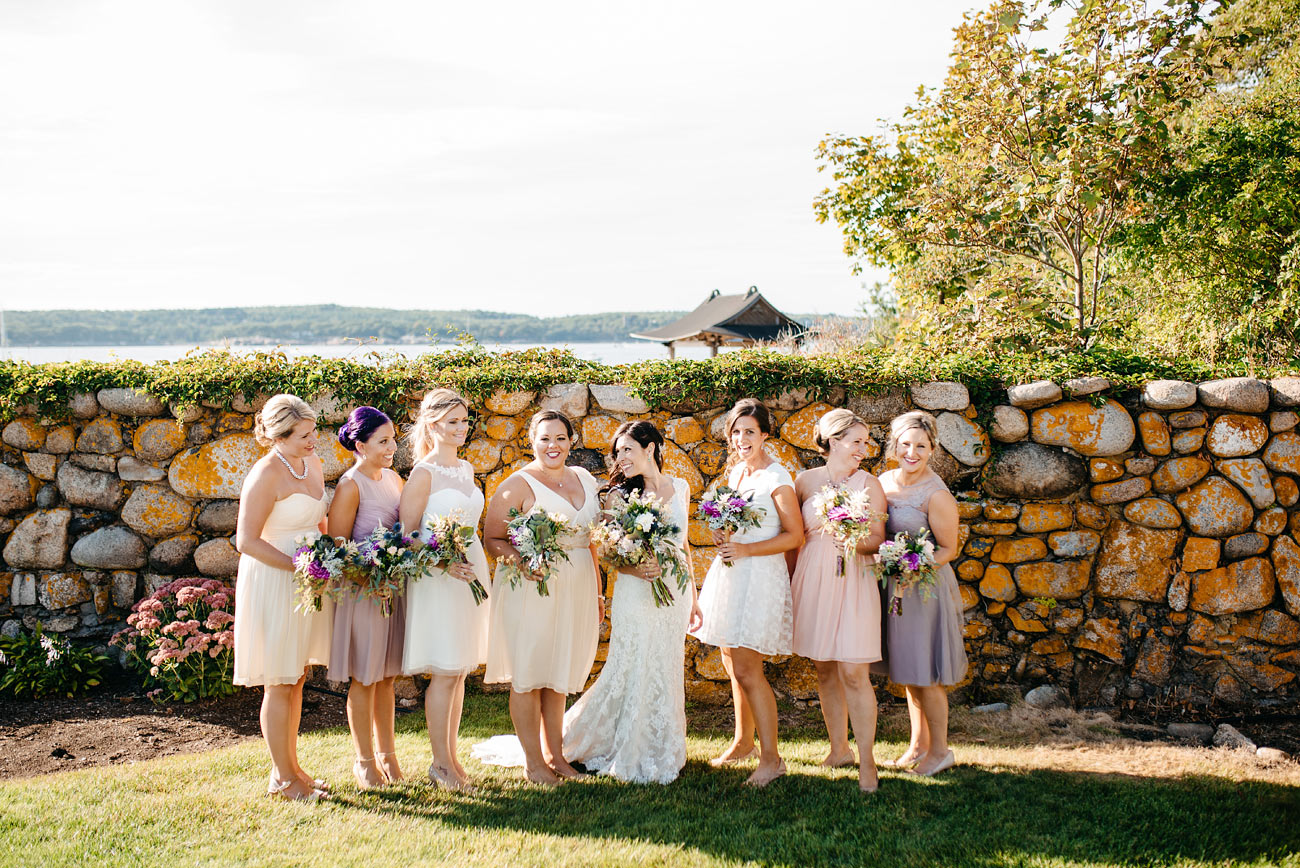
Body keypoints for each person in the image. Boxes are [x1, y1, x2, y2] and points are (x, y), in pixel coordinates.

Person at [562, 420, 703, 784]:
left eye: (627, 449)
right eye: (617, 451)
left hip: (675, 592)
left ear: (650, 448)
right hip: (635, 590)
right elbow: (606, 549)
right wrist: (636, 567)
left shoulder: (681, 487)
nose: (620, 458)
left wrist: (695, 596)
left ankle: (663, 745)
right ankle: (625, 746)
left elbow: (683, 543)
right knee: (632, 663)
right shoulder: (617, 495)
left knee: (665, 665)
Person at [480, 410, 603, 786]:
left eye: (561, 438)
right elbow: (493, 538)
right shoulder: (516, 484)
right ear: (531, 440)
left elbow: (592, 541)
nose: (553, 446)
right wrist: (522, 561)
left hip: (578, 583)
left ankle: (557, 756)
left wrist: (597, 589)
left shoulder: (584, 478)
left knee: (558, 673)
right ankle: (533, 763)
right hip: (532, 587)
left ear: (572, 441)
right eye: (545, 438)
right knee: (530, 674)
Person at [691, 398, 804, 787]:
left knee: (748, 668)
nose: (742, 438)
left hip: (758, 576)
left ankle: (772, 759)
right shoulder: (736, 474)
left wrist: (746, 548)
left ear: (765, 435)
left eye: (750, 432)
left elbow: (795, 535)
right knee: (728, 658)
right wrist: (723, 534)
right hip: (731, 574)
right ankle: (743, 742)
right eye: (736, 432)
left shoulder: (778, 478)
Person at [233, 394, 333, 802]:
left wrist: (327, 558)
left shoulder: (314, 464)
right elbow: (246, 541)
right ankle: (282, 779)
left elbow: (319, 519)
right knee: (279, 680)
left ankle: (293, 769)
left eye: (314, 431)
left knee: (298, 676)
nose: (314, 440)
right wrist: (297, 565)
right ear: (280, 435)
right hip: (275, 581)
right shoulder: (265, 474)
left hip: (309, 580)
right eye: (305, 435)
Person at [789, 408, 888, 792]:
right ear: (833, 441)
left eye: (866, 442)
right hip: (814, 577)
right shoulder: (804, 481)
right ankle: (838, 749)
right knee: (825, 668)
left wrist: (850, 534)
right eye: (857, 441)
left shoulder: (869, 483)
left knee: (854, 672)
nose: (864, 449)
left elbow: (877, 538)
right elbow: (795, 536)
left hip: (856, 579)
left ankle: (868, 764)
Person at [398, 389, 490, 790]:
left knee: (461, 671)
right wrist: (442, 560)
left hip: (470, 571)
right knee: (446, 669)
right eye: (452, 421)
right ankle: (440, 764)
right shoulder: (423, 473)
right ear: (432, 425)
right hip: (439, 577)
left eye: (464, 421)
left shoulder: (466, 470)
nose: (460, 428)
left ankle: (452, 759)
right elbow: (406, 536)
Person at [873, 410, 967, 777]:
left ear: (932, 449)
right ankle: (918, 745)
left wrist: (914, 568)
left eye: (921, 446)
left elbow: (949, 549)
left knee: (926, 672)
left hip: (923, 589)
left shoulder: (936, 494)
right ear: (894, 446)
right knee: (910, 671)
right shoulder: (883, 481)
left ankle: (940, 751)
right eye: (906, 444)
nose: (912, 452)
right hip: (894, 589)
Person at [326, 406, 406, 789]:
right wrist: (370, 571)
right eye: (383, 441)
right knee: (365, 679)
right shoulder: (350, 484)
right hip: (361, 590)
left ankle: (389, 757)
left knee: (387, 677)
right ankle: (364, 761)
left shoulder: (393, 478)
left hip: (390, 588)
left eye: (393, 439)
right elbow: (338, 545)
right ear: (360, 444)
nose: (392, 447)